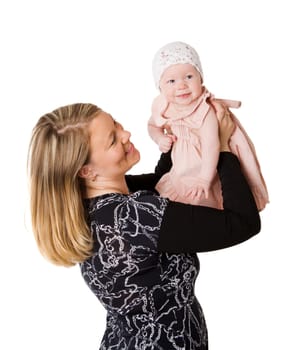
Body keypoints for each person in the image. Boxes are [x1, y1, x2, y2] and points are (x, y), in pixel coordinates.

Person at [28, 101, 261, 350]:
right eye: (112, 140)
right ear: (86, 171)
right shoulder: (133, 217)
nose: (125, 134)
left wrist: (182, 128)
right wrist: (222, 148)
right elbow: (242, 222)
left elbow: (162, 183)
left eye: (116, 124)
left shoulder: (91, 205)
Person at [148, 41, 269, 210]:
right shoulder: (164, 105)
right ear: (160, 87)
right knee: (178, 197)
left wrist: (205, 178)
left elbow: (212, 144)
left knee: (204, 201)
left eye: (189, 77)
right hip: (181, 170)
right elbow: (153, 125)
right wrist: (159, 138)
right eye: (171, 81)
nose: (181, 85)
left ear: (201, 78)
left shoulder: (205, 110)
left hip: (206, 169)